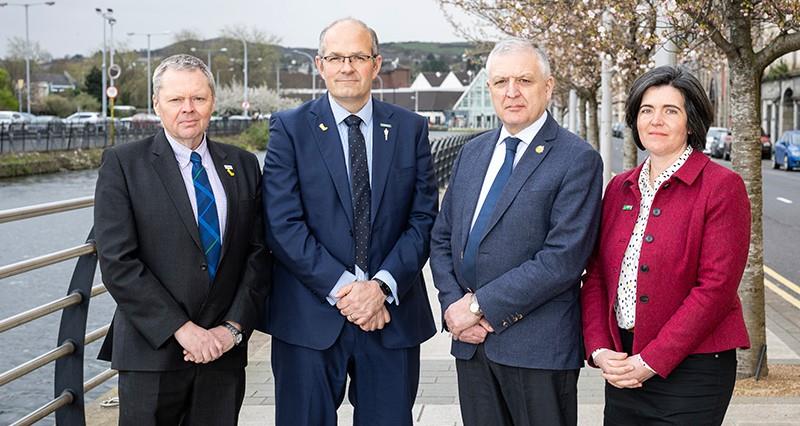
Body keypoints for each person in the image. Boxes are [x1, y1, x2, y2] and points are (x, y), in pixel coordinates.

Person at [261, 18, 438, 426]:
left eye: (357, 57)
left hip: (390, 314)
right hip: (309, 318)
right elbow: (282, 223)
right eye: (336, 57)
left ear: (376, 65)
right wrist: (347, 291)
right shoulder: (289, 128)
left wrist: (380, 288)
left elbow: (423, 217)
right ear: (320, 66)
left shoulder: (411, 128)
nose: (346, 67)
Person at [430, 39, 603, 426]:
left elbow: (562, 259)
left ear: (548, 86)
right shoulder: (472, 153)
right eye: (500, 81)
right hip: (473, 347)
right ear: (489, 88)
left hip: (537, 349)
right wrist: (452, 307)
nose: (512, 92)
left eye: (524, 80)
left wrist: (477, 308)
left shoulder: (578, 159)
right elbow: (442, 238)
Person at [94, 54, 271, 425]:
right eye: (176, 100)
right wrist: (183, 330)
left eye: (198, 98)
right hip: (151, 351)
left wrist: (232, 329)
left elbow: (257, 255)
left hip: (222, 354)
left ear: (212, 102)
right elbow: (118, 262)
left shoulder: (242, 164)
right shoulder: (123, 164)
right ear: (157, 104)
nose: (188, 109)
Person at [581, 65, 751, 425]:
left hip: (695, 371)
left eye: (670, 111)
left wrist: (651, 361)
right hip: (625, 369)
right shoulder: (619, 188)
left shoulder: (722, 186)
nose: (656, 120)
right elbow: (596, 274)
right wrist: (599, 348)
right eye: (647, 110)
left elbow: (716, 289)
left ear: (691, 122)